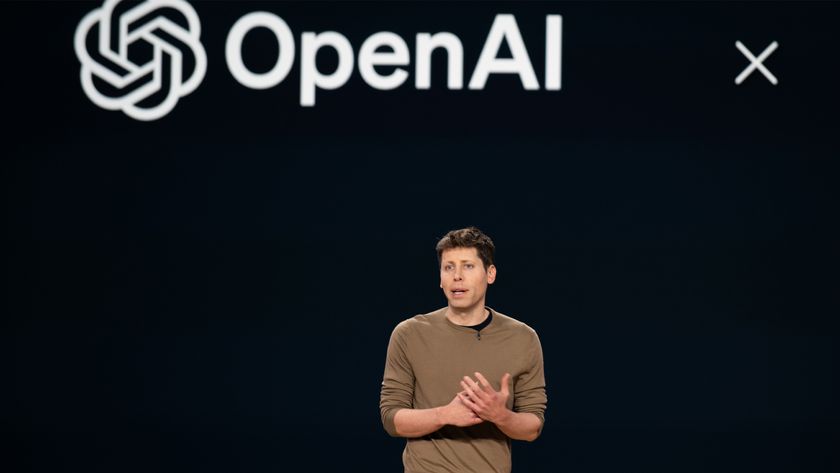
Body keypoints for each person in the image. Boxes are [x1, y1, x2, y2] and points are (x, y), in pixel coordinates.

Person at [380, 227, 547, 473]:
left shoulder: (523, 338)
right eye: (448, 267)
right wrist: (445, 414)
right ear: (440, 278)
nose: (457, 276)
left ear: (490, 274)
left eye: (468, 266)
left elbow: (533, 427)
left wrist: (500, 415)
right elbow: (391, 419)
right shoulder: (409, 334)